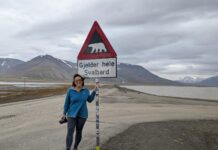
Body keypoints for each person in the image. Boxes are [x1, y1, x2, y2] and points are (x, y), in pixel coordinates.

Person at [61, 74, 98, 150]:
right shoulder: (70, 91)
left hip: (82, 115)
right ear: (74, 82)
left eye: (80, 80)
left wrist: (94, 91)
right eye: (76, 80)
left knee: (79, 132)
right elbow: (67, 103)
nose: (78, 81)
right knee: (70, 132)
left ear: (82, 81)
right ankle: (68, 148)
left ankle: (75, 147)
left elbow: (90, 100)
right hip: (71, 115)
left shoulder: (86, 90)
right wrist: (64, 113)